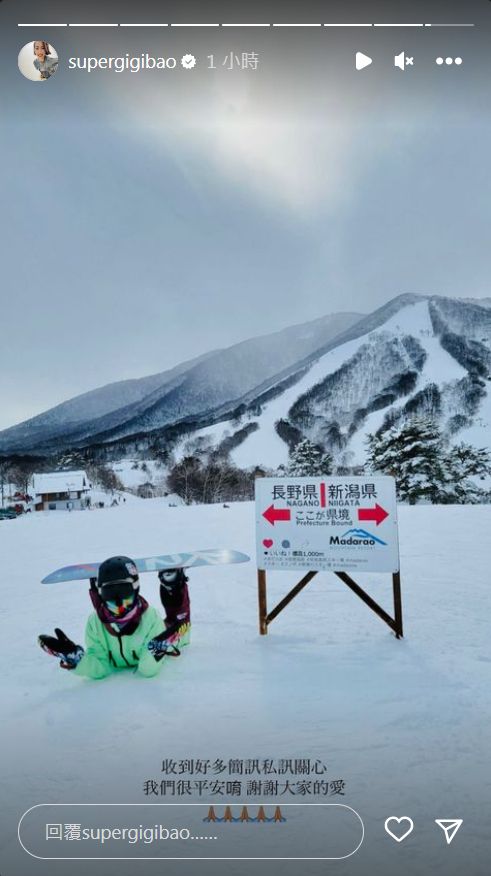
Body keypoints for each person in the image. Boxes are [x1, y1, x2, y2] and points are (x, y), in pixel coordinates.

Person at [38, 556, 186, 679]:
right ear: (101, 593)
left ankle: (173, 586)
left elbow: (148, 670)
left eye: (124, 590)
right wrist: (76, 659)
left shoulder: (150, 618)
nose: (118, 600)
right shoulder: (95, 623)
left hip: (173, 635)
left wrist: (156, 649)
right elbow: (100, 667)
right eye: (109, 592)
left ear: (136, 588)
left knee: (179, 623)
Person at [158, 568, 191, 646]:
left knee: (178, 606)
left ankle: (178, 579)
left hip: (181, 629)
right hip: (176, 625)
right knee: (170, 598)